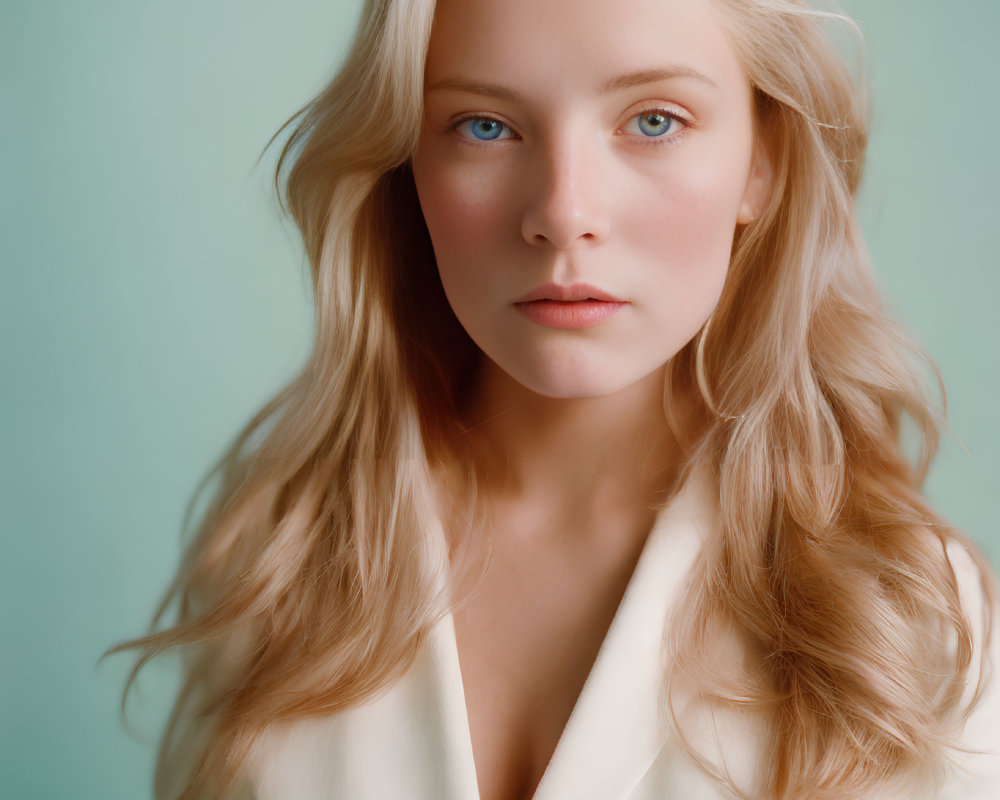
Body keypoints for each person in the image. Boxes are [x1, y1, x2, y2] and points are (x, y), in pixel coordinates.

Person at [115, 0, 1000, 797]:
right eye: (485, 126)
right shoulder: (277, 559)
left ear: (761, 162)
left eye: (654, 120)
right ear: (407, 164)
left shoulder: (909, 622)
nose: (563, 212)